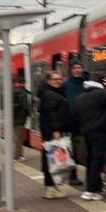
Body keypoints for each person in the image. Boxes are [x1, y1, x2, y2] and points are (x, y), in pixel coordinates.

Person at [72, 75, 106, 201]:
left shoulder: (80, 98)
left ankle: (96, 186)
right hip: (100, 132)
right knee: (98, 160)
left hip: (87, 133)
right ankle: (91, 189)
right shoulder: (100, 94)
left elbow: (75, 117)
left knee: (91, 159)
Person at [36, 71, 72, 199]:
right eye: (54, 79)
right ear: (48, 81)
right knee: (52, 159)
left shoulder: (50, 93)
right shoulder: (50, 94)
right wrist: (56, 130)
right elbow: (51, 113)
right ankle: (51, 188)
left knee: (51, 159)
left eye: (59, 79)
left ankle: (52, 187)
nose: (58, 81)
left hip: (50, 131)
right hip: (52, 133)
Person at [61, 60, 87, 186]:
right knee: (72, 150)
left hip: (86, 122)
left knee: (86, 150)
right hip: (71, 124)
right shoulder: (65, 85)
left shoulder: (87, 83)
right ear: (71, 70)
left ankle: (91, 177)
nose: (77, 70)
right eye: (75, 68)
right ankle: (73, 175)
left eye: (79, 67)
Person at [11, 75, 32, 163]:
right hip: (20, 117)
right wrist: (29, 115)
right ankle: (16, 156)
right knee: (19, 138)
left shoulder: (10, 90)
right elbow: (25, 106)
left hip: (12, 117)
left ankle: (16, 155)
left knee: (14, 137)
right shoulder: (23, 92)